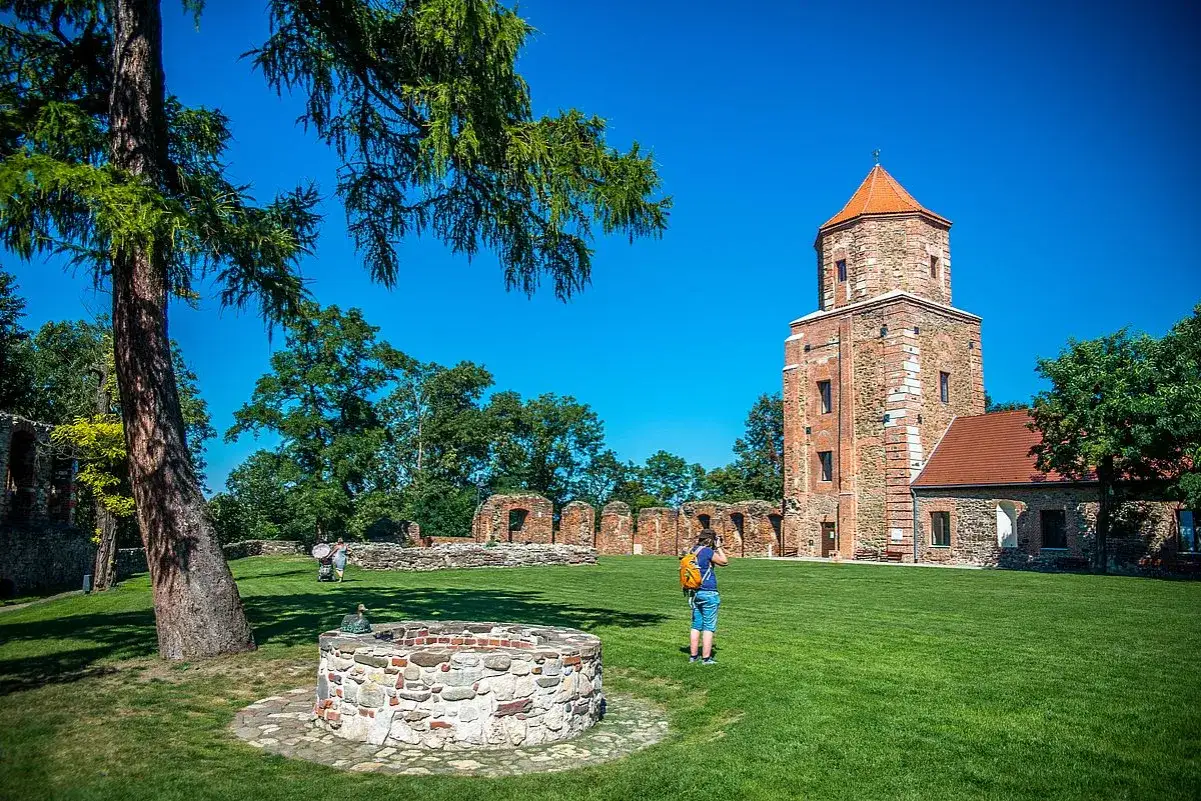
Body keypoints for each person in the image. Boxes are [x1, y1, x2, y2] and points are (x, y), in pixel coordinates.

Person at [686, 528, 727, 664]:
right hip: (709, 592)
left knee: (696, 625)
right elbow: (724, 562)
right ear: (711, 540)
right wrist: (719, 547)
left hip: (695, 592)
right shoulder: (708, 552)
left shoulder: (693, 551)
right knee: (708, 626)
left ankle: (693, 656)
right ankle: (706, 658)